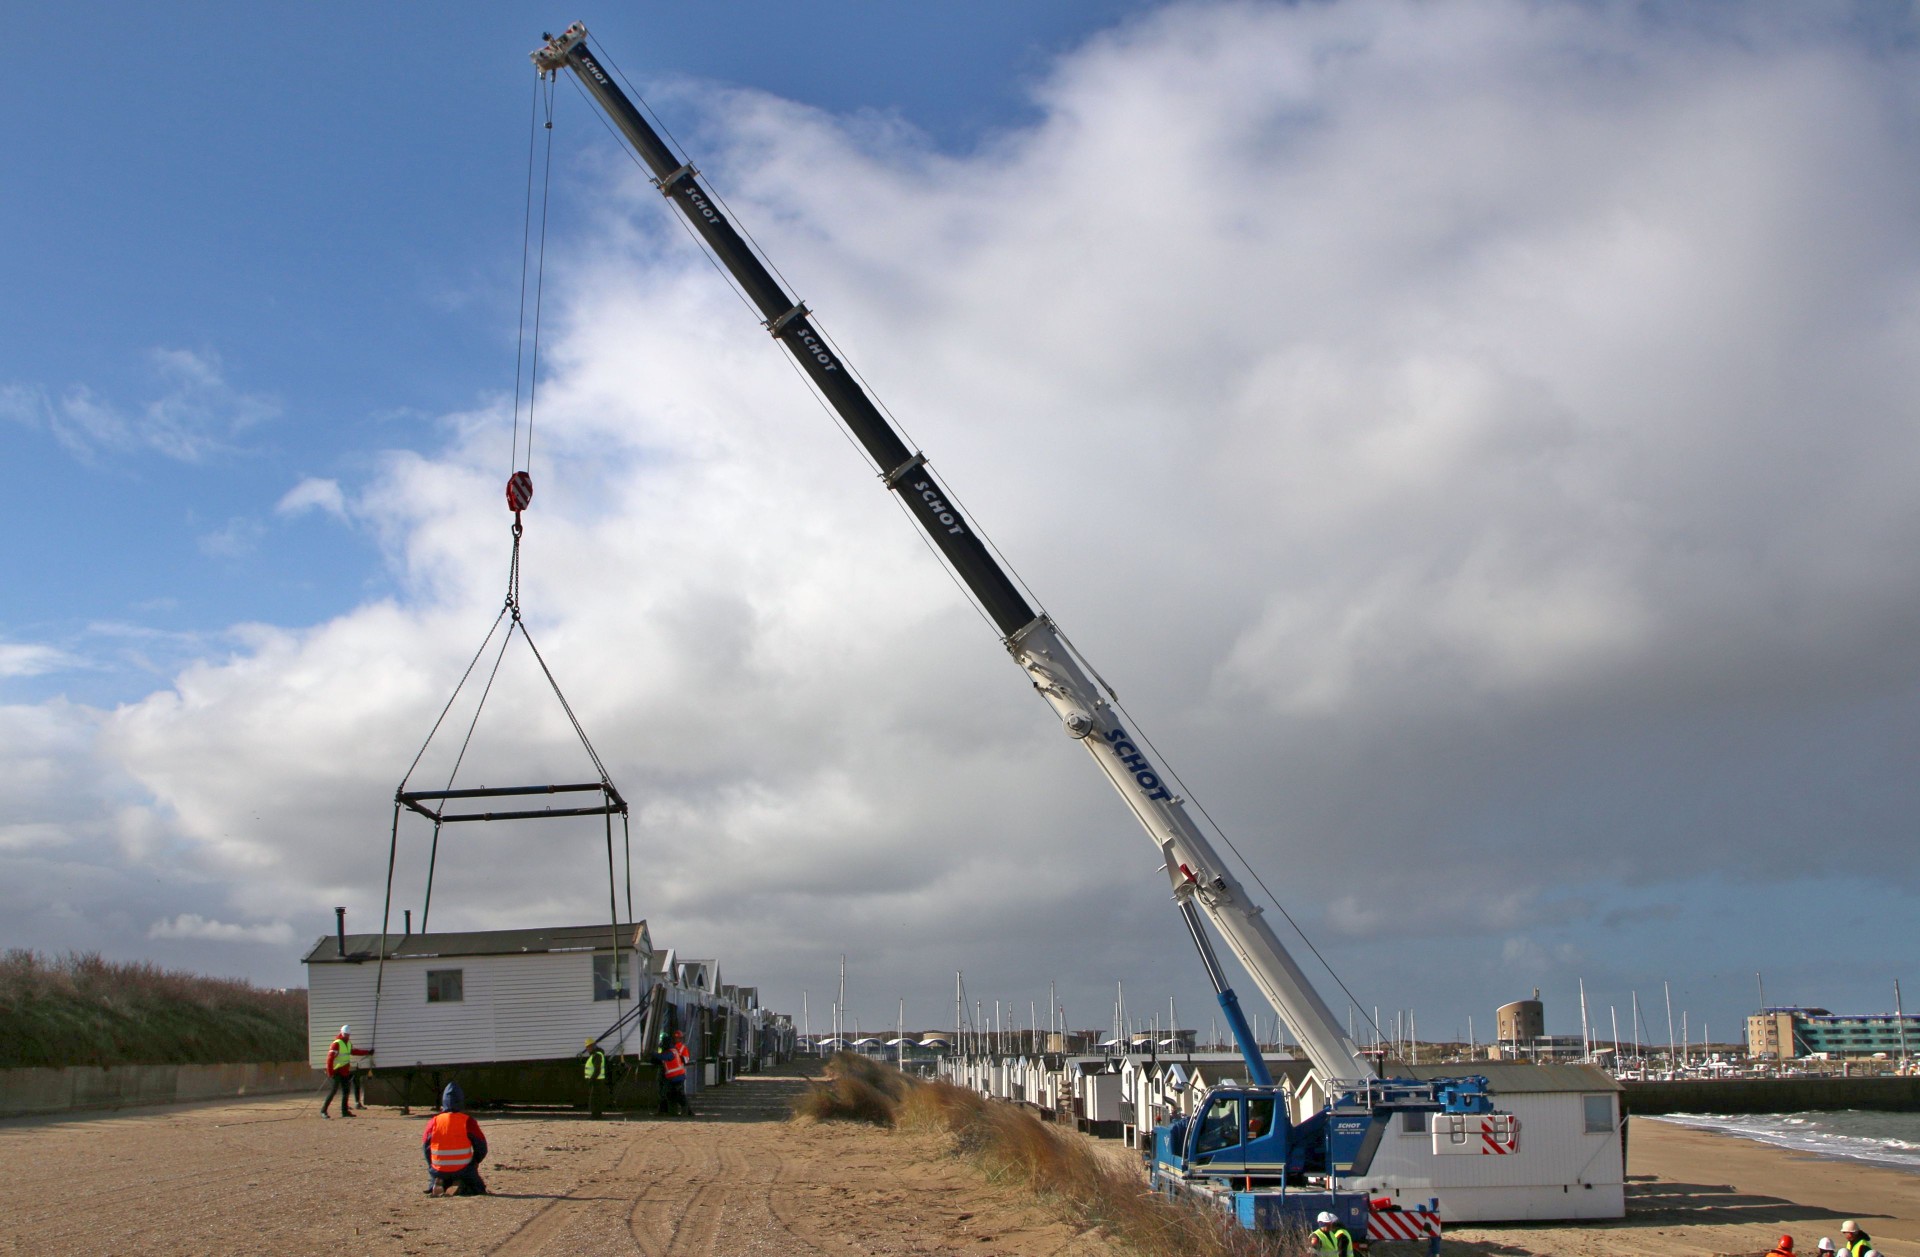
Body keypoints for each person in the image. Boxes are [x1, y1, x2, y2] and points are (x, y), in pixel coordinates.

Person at [422, 1082, 488, 1196]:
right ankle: (460, 1183)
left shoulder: (434, 1121)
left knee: (440, 1174)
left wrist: (432, 1165)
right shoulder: (467, 1121)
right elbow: (481, 1146)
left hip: (438, 1168)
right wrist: (475, 1161)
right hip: (463, 1168)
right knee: (478, 1188)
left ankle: (438, 1182)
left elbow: (425, 1147)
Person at [321, 1025, 372, 1118]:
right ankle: (323, 1111)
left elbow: (354, 1052)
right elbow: (330, 1059)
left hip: (344, 1071)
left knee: (346, 1091)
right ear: (341, 1033)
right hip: (336, 1071)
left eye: (348, 1035)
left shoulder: (348, 1044)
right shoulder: (336, 1044)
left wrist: (367, 1052)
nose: (347, 1036)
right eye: (345, 1034)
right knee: (333, 1091)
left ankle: (345, 1112)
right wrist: (330, 1072)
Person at [659, 1029, 694, 1117]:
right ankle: (672, 1111)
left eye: (678, 1038)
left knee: (679, 1093)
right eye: (675, 1038)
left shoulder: (683, 1048)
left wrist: (677, 1057)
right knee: (671, 1093)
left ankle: (688, 1111)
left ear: (681, 1039)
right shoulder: (670, 1047)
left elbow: (686, 1060)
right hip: (669, 1072)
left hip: (678, 1073)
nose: (676, 1040)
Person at [584, 1037, 608, 1120]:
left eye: (588, 1047)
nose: (587, 1049)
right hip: (597, 1080)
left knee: (594, 1099)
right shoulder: (596, 1055)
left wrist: (591, 1079)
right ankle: (597, 1115)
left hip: (596, 1080)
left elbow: (597, 1069)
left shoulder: (597, 1055)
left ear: (593, 1046)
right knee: (596, 1098)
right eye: (587, 1047)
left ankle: (595, 1115)